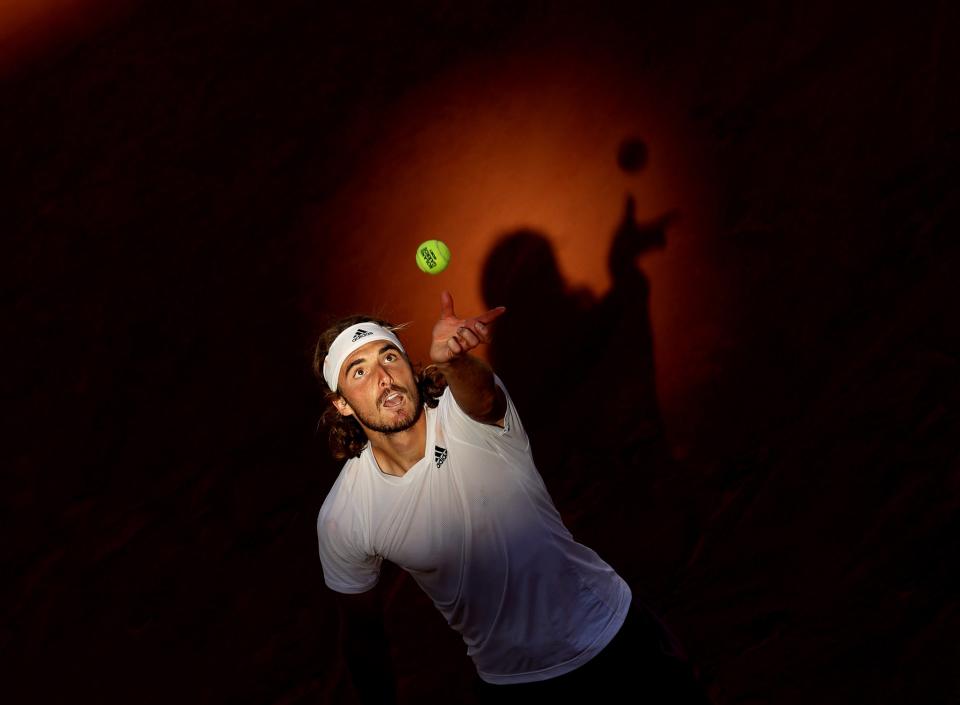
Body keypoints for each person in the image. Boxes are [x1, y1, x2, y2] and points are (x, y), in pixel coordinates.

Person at [313, 291, 708, 704]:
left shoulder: (464, 415)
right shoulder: (345, 515)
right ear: (341, 403)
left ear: (410, 367)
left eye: (389, 357)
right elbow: (362, 636)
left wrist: (455, 361)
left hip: (615, 642)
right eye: (359, 372)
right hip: (512, 684)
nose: (384, 377)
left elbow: (483, 398)